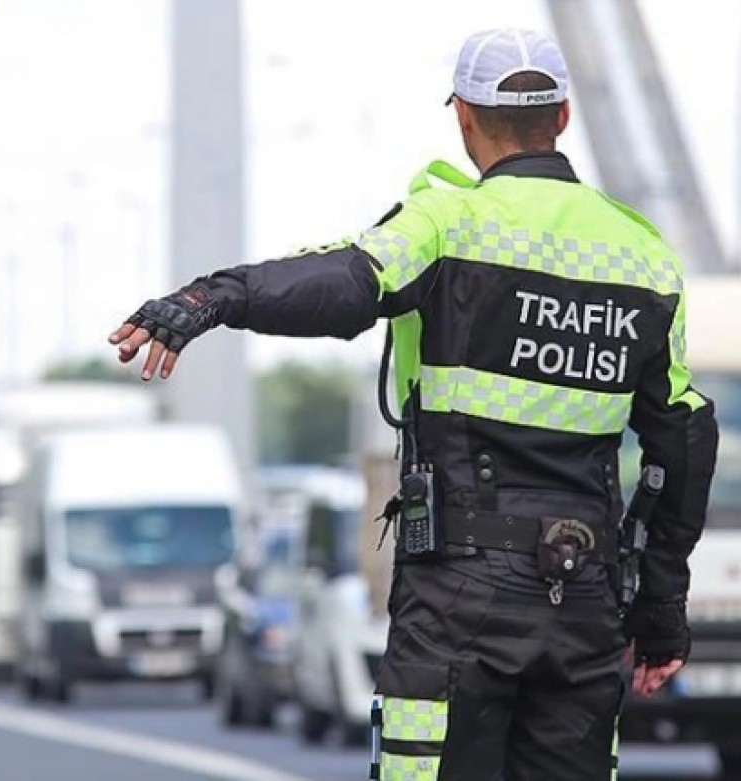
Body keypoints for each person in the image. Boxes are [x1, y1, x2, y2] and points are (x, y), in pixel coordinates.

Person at [109, 28, 718, 781]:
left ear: (464, 115)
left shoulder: (446, 222)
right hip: (584, 601)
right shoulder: (644, 257)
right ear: (562, 117)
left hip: (459, 600)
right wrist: (661, 609)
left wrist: (212, 298)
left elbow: (341, 284)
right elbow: (684, 442)